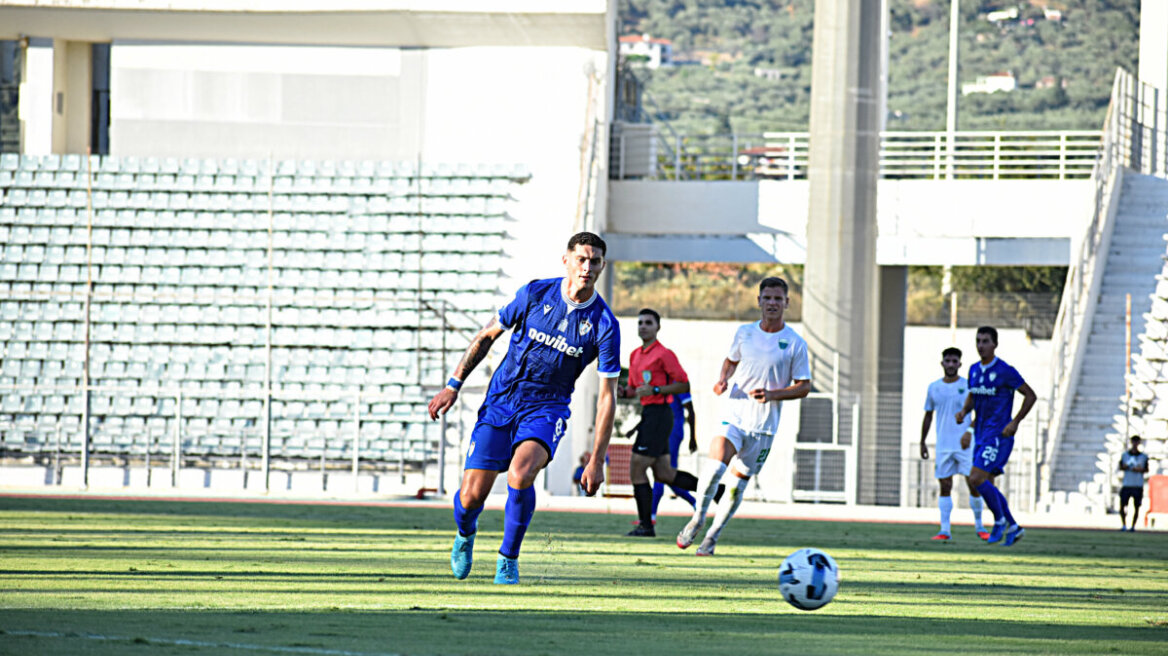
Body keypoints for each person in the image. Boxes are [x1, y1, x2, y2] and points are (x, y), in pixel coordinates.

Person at [427, 232, 620, 585]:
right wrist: (453, 384)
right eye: (581, 259)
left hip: (547, 408)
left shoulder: (605, 325)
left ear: (603, 266)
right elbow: (487, 336)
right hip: (501, 401)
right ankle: (465, 533)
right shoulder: (534, 294)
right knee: (470, 497)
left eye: (595, 262)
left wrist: (596, 458)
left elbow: (608, 395)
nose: (587, 267)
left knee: (521, 474)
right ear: (566, 260)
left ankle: (507, 560)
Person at [676, 277, 810, 556]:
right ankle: (698, 518)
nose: (772, 303)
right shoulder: (744, 333)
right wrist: (723, 379)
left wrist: (773, 395)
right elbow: (731, 360)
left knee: (737, 486)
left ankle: (712, 537)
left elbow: (804, 386)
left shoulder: (795, 343)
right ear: (758, 301)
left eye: (777, 299)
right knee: (714, 466)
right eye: (767, 298)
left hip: (764, 427)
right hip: (734, 415)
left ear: (787, 303)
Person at [621, 308, 701, 537]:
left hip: (660, 414)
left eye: (648, 322)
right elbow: (635, 389)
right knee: (664, 473)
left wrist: (657, 389)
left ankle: (646, 525)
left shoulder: (664, 354)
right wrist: (623, 391)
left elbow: (683, 385)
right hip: (648, 413)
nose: (643, 326)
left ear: (658, 327)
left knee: (637, 468)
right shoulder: (635, 355)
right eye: (640, 323)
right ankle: (716, 491)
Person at [955, 326, 1037, 547]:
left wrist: (1015, 421)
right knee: (986, 482)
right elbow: (974, 397)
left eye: (985, 341)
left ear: (995, 344)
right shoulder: (973, 370)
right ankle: (1013, 526)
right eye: (978, 341)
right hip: (981, 434)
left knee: (975, 479)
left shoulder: (1005, 371)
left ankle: (1000, 521)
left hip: (998, 435)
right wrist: (965, 414)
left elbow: (1030, 395)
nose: (981, 345)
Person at [920, 347, 989, 541]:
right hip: (943, 445)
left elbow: (981, 413)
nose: (951, 365)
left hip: (966, 445)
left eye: (954, 361)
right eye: (947, 361)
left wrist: (970, 431)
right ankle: (945, 530)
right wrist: (923, 442)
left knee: (973, 483)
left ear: (960, 364)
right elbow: (928, 415)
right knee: (945, 485)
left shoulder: (969, 386)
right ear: (942, 363)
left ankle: (980, 526)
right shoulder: (934, 387)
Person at [1118, 435, 1150, 532]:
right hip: (1127, 483)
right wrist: (1126, 467)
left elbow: (1146, 469)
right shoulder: (1125, 455)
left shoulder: (1143, 457)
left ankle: (1133, 526)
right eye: (1134, 442)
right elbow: (1120, 467)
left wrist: (1139, 469)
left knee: (1136, 507)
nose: (1135, 444)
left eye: (1137, 442)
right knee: (1123, 505)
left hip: (1137, 485)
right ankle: (1124, 525)